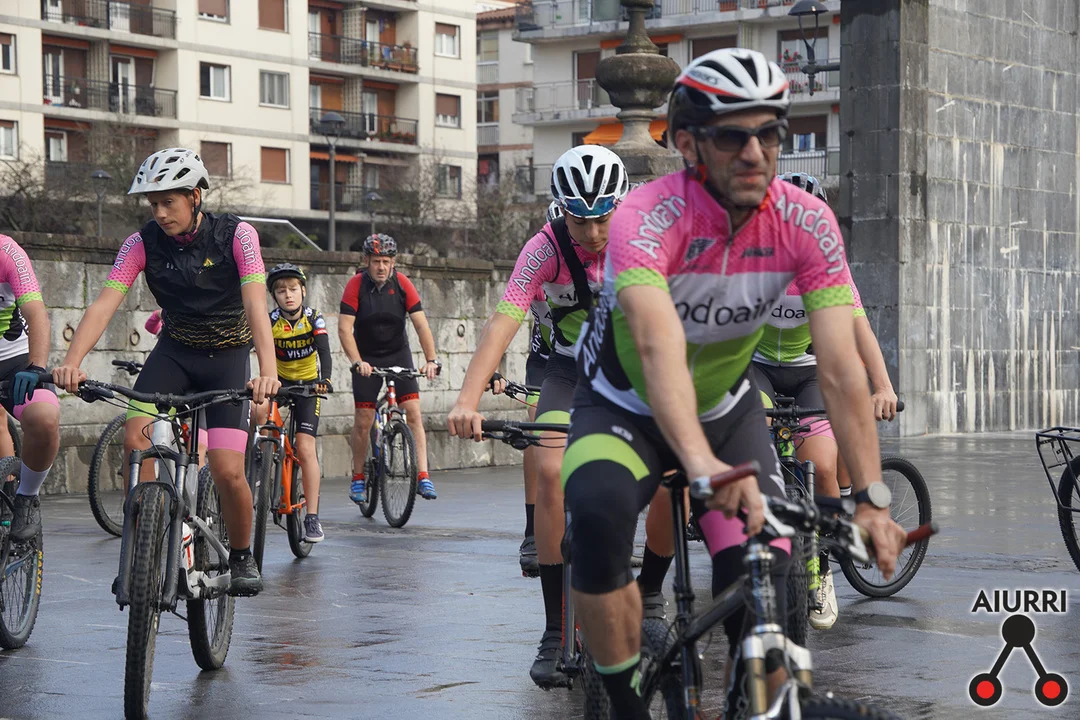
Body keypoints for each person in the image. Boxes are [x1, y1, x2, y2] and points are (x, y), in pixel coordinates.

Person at [558, 48, 908, 719]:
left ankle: (756, 700)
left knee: (767, 566)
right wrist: (705, 470)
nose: (755, 153)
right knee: (598, 520)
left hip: (722, 407)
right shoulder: (645, 217)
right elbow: (657, 350)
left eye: (769, 133)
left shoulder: (807, 221)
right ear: (688, 143)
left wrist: (870, 498)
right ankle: (626, 704)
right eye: (731, 136)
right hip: (621, 405)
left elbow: (840, 369)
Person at [449, 146, 678, 689]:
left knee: (674, 480)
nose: (593, 233)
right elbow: (504, 319)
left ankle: (650, 592)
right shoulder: (544, 247)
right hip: (571, 371)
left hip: (639, 372)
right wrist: (467, 399)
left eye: (603, 219)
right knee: (549, 471)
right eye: (580, 220)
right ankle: (555, 628)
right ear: (561, 211)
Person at [52, 148, 280, 597]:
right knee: (134, 442)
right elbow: (105, 303)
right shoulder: (140, 243)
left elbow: (256, 303)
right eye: (153, 203)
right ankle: (139, 554)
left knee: (227, 469)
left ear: (195, 196)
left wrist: (267, 372)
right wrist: (72, 361)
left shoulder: (238, 235)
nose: (159, 213)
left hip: (228, 357)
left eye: (168, 202)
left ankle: (241, 555)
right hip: (174, 353)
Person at [752, 171, 899, 630]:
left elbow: (860, 330)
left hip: (808, 371)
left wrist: (883, 386)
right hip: (755, 366)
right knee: (752, 437)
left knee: (818, 459)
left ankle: (820, 571)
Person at [338, 234, 440, 503]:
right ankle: (358, 477)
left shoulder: (403, 284)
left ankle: (423, 475)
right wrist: (357, 362)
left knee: (414, 414)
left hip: (398, 354)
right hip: (367, 359)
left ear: (393, 262)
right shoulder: (355, 285)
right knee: (363, 419)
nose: (381, 267)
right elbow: (345, 329)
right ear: (366, 261)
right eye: (376, 262)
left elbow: (421, 324)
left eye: (386, 261)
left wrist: (431, 359)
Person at [258, 263, 333, 542]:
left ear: (303, 291)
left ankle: (312, 517)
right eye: (281, 291)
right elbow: (251, 349)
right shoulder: (270, 321)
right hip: (279, 384)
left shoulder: (314, 318)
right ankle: (266, 454)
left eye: (292, 289)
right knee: (256, 409)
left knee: (305, 446)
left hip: (309, 386)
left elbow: (324, 352)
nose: (288, 295)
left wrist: (325, 379)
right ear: (274, 296)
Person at [0, 234, 61, 543]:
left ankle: (26, 496)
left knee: (44, 419)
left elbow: (36, 313)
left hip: (15, 361)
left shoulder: (6, 251)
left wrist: (36, 367)